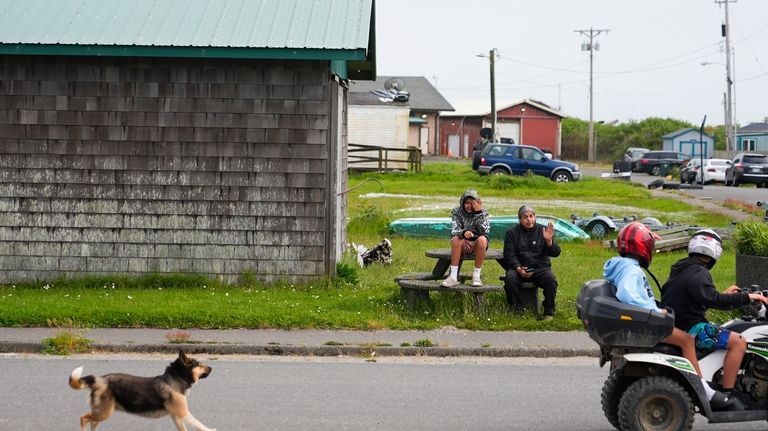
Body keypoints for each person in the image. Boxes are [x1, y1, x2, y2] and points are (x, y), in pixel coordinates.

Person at [604, 222, 738, 411]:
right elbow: (628, 296)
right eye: (649, 245)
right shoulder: (631, 270)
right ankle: (704, 389)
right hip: (649, 322)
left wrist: (656, 308)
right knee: (687, 340)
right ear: (642, 248)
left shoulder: (623, 266)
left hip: (648, 318)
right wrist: (656, 312)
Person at [661, 229, 768, 410]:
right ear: (715, 251)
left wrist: (725, 295)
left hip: (679, 323)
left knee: (728, 331)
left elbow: (701, 298)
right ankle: (726, 395)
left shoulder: (682, 268)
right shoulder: (699, 273)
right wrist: (748, 297)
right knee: (739, 341)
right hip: (692, 328)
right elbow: (715, 301)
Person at [502, 205, 560, 319]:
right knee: (510, 278)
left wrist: (549, 241)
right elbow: (509, 254)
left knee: (550, 279)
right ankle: (516, 311)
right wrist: (518, 268)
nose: (529, 220)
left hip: (539, 268)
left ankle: (548, 312)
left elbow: (556, 253)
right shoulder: (511, 233)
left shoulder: (543, 231)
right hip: (518, 268)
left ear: (535, 217)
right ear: (520, 219)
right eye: (525, 217)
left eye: (531, 216)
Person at [440, 189, 490, 288]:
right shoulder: (456, 211)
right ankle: (453, 277)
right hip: (462, 243)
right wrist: (464, 233)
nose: (469, 206)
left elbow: (485, 230)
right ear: (462, 202)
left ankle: (476, 276)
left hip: (477, 244)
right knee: (456, 239)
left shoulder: (483, 212)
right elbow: (455, 229)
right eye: (467, 203)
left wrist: (479, 213)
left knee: (482, 240)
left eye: (472, 203)